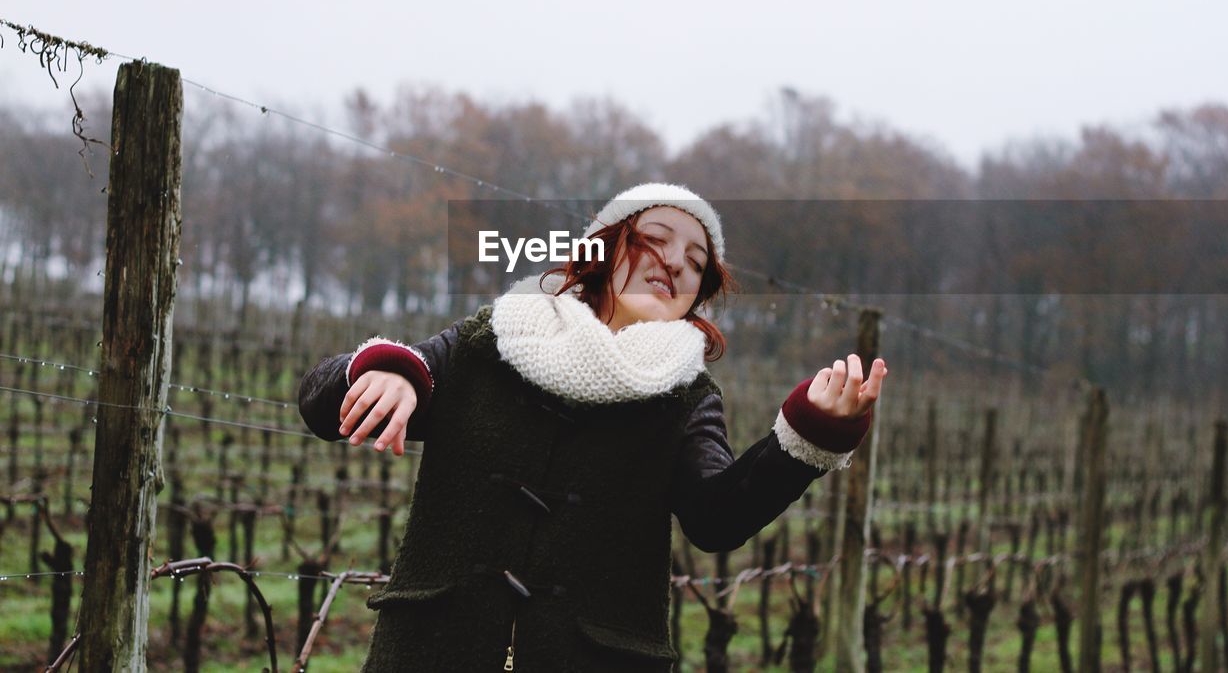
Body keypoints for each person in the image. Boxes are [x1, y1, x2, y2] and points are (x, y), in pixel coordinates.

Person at [297, 183, 887, 672]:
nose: (675, 261)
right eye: (655, 240)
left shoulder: (687, 397)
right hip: (429, 653)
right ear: (602, 250)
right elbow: (320, 404)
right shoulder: (490, 341)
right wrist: (392, 371)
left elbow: (716, 517)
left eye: (696, 261)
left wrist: (808, 437)